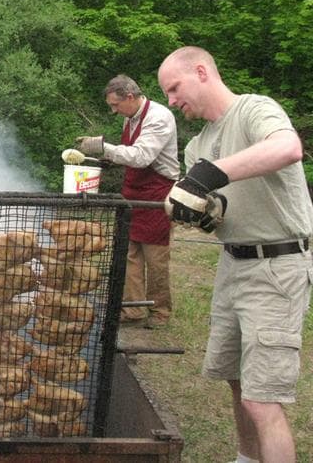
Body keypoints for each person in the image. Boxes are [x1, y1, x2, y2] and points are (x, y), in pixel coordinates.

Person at [159, 46, 313, 463]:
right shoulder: (198, 146)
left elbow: (287, 149)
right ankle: (247, 458)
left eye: (174, 88)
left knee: (262, 399)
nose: (172, 101)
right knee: (237, 382)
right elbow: (225, 211)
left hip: (277, 267)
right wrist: (205, 215)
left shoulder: (254, 110)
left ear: (202, 71)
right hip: (233, 265)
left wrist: (210, 175)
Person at [75, 74, 180, 328]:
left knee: (155, 256)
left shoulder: (159, 117)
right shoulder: (130, 117)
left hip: (158, 191)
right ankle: (133, 309)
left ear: (130, 97)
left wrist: (104, 148)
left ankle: (160, 312)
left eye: (115, 105)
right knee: (129, 252)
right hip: (133, 191)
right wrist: (108, 160)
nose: (113, 110)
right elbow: (130, 156)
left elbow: (142, 156)